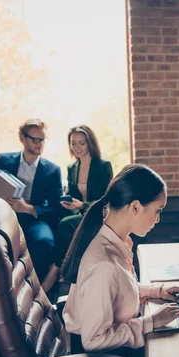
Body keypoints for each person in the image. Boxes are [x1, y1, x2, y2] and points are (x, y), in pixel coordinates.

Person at [61, 163, 179, 356]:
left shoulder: (110, 241)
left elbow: (119, 292)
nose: (157, 220)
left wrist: (157, 291)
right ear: (135, 207)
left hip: (116, 354)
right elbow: (94, 341)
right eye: (158, 210)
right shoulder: (103, 265)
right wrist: (151, 321)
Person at [0, 118, 62, 284]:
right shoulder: (3, 160)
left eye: (42, 140)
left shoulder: (52, 170)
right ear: (22, 138)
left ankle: (34, 288)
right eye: (35, 139)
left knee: (45, 242)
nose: (40, 144)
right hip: (1, 218)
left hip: (33, 220)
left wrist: (28, 208)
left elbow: (57, 209)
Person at [41, 125, 113, 292]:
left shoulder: (103, 166)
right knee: (59, 220)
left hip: (100, 215)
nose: (77, 148)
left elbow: (107, 200)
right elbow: (74, 196)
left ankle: (56, 271)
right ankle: (65, 273)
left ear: (90, 144)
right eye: (74, 143)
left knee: (66, 225)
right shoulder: (72, 168)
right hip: (81, 214)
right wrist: (68, 202)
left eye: (82, 143)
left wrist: (82, 205)